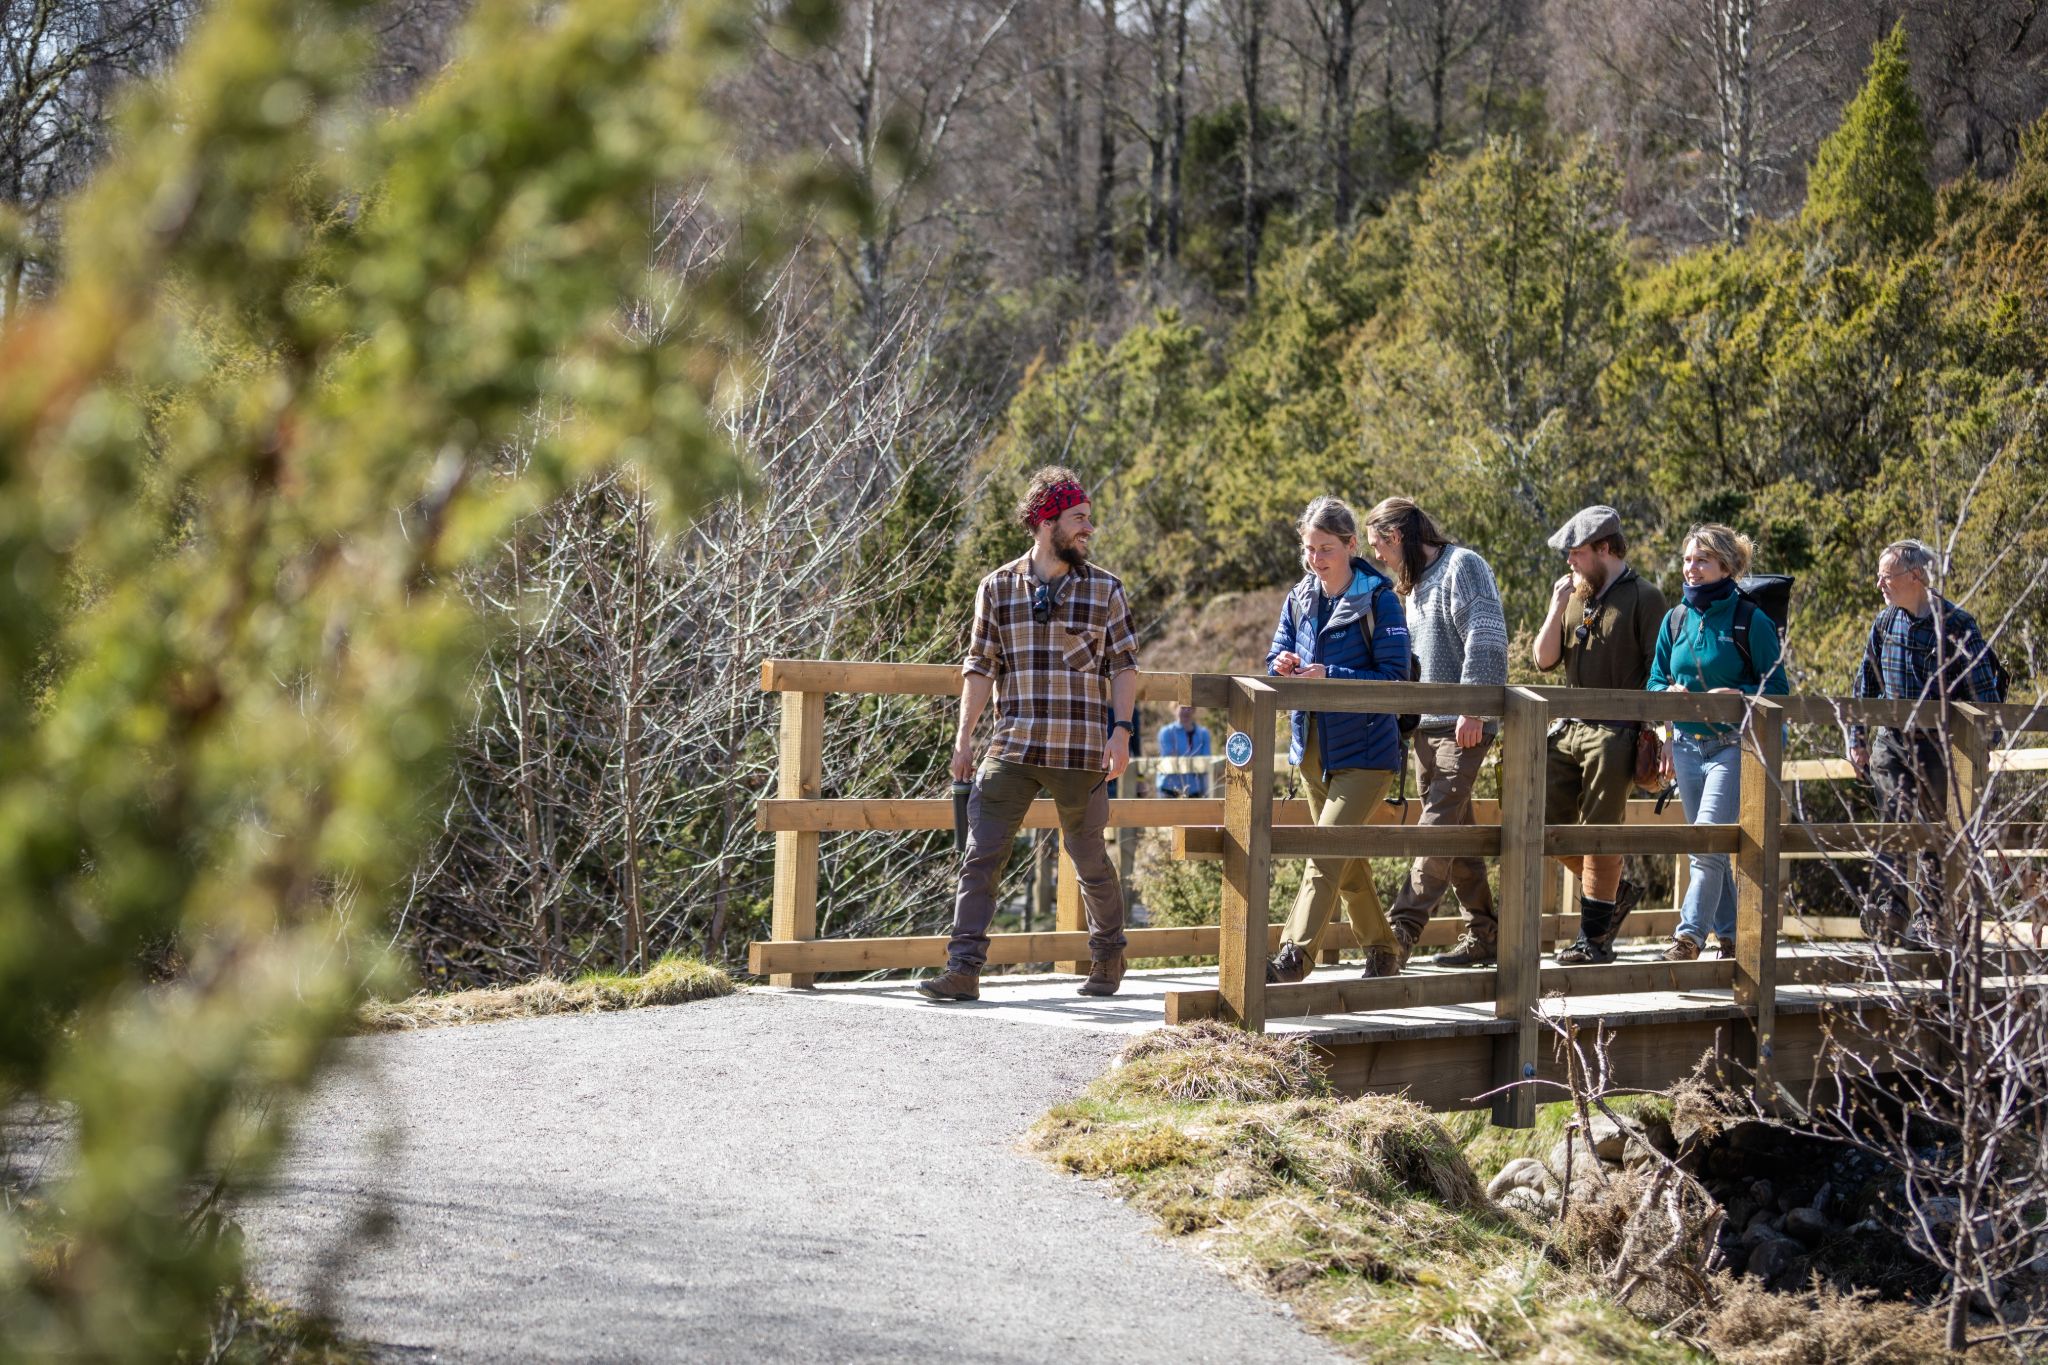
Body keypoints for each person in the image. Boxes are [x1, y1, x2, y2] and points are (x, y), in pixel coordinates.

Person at [920, 467, 1140, 1003]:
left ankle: (1109, 954)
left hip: (1080, 747)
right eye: (1078, 519)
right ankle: (963, 969)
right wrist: (964, 737)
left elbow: (1125, 666)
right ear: (1046, 521)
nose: (1089, 527)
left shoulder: (1106, 589)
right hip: (1012, 745)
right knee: (982, 854)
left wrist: (1122, 731)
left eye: (1088, 518)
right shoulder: (996, 587)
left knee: (1088, 857)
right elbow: (979, 666)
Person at [1265, 497, 1414, 983]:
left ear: (1351, 545)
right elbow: (1274, 656)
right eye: (1308, 549)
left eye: (1325, 548)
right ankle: (1383, 950)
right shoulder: (1299, 595)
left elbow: (1394, 679)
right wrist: (1282, 665)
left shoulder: (1380, 598)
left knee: (1326, 850)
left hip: (1367, 752)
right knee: (1343, 861)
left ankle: (1294, 956)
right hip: (1310, 751)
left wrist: (1330, 674)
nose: (1315, 559)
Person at [1365, 498, 1511, 968]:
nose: (1379, 559)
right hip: (1426, 729)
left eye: (1379, 549)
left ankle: (1400, 932)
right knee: (1457, 834)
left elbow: (1486, 639)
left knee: (1436, 828)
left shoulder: (1462, 566)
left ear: (1396, 536)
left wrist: (1475, 707)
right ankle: (1486, 933)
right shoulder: (1416, 584)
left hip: (1462, 725)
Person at [1849, 539, 2006, 946]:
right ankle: (1891, 909)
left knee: (1939, 832)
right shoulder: (1884, 623)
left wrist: (1987, 740)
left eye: (1886, 576)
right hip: (1893, 741)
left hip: (1942, 744)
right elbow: (1865, 682)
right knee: (1894, 815)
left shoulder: (1956, 624)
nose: (1879, 584)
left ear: (1915, 577)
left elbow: (1982, 685)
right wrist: (1858, 737)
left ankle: (1932, 919)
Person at [1532, 505, 1666, 965]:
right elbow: (1544, 660)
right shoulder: (1574, 595)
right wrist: (1554, 608)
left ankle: (1594, 940)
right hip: (1568, 727)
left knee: (1600, 833)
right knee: (1535, 820)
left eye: (1576, 552)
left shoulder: (1646, 598)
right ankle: (1613, 894)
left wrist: (1656, 734)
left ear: (1604, 549)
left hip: (1617, 732)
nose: (1569, 561)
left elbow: (1659, 672)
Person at [1647, 525, 1787, 962]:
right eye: (1688, 560)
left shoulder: (1752, 620)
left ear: (1726, 566)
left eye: (1702, 560)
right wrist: (1666, 720)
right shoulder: (1675, 619)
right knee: (1711, 845)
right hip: (1686, 745)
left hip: (1734, 744)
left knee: (1705, 841)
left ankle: (1688, 938)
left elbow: (1779, 689)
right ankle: (1730, 935)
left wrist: (1741, 697)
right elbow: (1654, 682)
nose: (1692, 569)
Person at [1156, 704, 1212, 797]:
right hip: (1169, 790)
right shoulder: (1166, 732)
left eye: (1190, 707)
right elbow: (1171, 759)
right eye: (1182, 707)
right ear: (1174, 709)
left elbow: (1206, 761)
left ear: (1194, 710)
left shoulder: (1203, 734)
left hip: (1195, 790)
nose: (1186, 711)